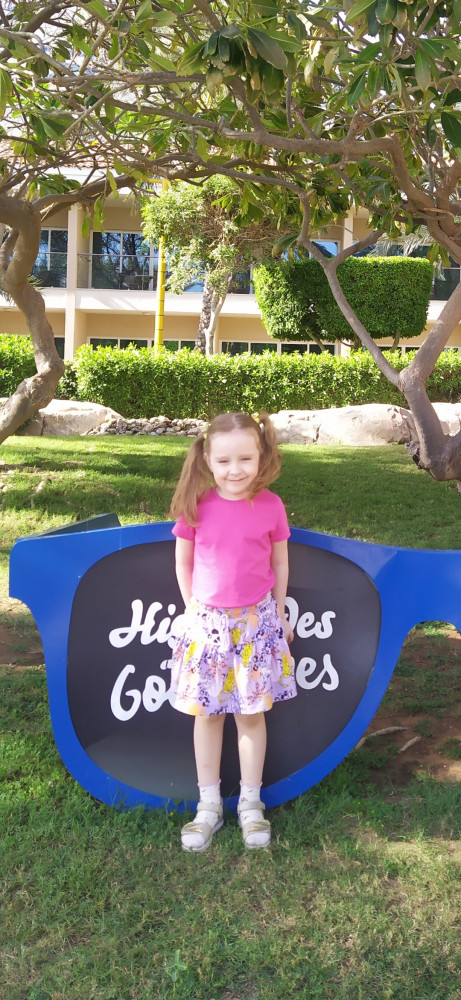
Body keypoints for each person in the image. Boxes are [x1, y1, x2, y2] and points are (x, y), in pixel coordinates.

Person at [169, 411, 297, 853]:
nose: (235, 470)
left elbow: (279, 562)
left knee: (250, 715)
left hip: (255, 626)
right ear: (207, 459)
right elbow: (183, 561)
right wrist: (191, 609)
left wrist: (279, 611)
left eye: (245, 458)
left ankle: (250, 803)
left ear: (262, 456)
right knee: (207, 715)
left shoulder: (271, 506)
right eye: (224, 461)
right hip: (207, 626)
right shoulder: (195, 505)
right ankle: (208, 805)